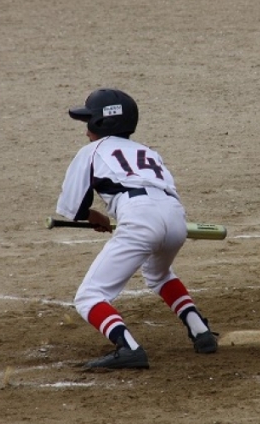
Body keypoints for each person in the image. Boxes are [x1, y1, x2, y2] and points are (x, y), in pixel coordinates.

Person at [55, 88, 218, 369]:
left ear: (102, 123)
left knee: (89, 296)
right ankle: (200, 331)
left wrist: (94, 216)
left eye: (88, 122)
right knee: (159, 274)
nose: (85, 130)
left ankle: (128, 348)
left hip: (140, 217)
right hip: (175, 217)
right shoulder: (148, 152)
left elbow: (73, 208)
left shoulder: (91, 151)